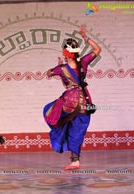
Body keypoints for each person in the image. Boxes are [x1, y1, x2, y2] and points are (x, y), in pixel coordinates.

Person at [43, 24, 101, 170]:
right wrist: (85, 37)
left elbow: (48, 73)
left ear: (66, 53)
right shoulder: (84, 63)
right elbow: (97, 50)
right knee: (78, 130)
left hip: (69, 103)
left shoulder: (62, 69)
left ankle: (70, 153)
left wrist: (57, 68)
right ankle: (75, 160)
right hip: (85, 102)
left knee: (51, 112)